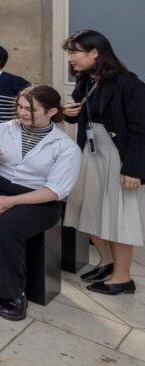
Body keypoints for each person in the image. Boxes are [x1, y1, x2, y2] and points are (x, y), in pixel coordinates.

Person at [0, 85, 81, 320]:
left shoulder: (66, 147)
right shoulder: (2, 129)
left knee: (5, 230)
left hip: (39, 198)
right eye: (20, 107)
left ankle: (14, 293)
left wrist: (13, 201)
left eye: (31, 109)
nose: (23, 113)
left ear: (51, 111)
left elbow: (55, 191)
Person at [62, 29, 145, 296]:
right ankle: (106, 262)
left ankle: (123, 278)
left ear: (95, 52)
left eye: (75, 52)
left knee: (119, 215)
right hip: (91, 153)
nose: (71, 58)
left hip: (117, 156)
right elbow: (85, 115)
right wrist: (69, 113)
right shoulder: (87, 80)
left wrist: (134, 169)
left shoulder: (128, 84)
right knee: (88, 208)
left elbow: (141, 130)